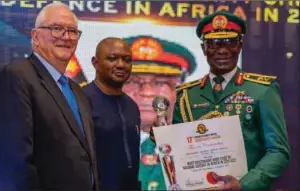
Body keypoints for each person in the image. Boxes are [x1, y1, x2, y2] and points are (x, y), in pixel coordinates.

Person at [152, 11, 290, 190]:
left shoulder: (262, 90)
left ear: (240, 45)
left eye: (229, 42)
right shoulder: (186, 95)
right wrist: (164, 139)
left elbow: (278, 152)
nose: (222, 50)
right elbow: (181, 153)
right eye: (214, 43)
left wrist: (244, 185)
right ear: (204, 48)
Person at [0, 2, 98, 190]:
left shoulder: (78, 92)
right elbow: (11, 167)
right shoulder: (15, 79)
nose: (66, 37)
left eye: (72, 31)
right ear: (36, 37)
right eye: (57, 29)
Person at [122, 35, 197, 190]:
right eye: (131, 81)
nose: (147, 92)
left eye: (161, 82)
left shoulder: (201, 146)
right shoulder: (90, 144)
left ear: (179, 89)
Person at [83, 37, 141, 190]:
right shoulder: (81, 101)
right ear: (95, 63)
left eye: (127, 60)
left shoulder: (132, 106)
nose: (121, 65)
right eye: (112, 59)